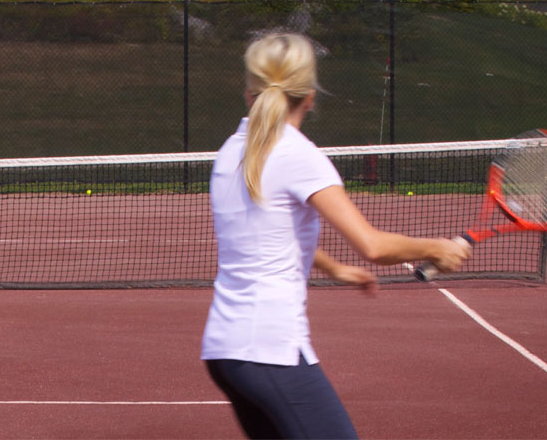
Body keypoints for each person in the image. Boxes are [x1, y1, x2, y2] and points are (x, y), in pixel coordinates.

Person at [201, 32, 471, 439]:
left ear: (248, 91)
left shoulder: (230, 151)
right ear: (309, 95)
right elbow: (373, 246)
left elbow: (267, 235)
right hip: (270, 351)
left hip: (225, 351)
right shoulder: (298, 154)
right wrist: (437, 247)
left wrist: (333, 268)